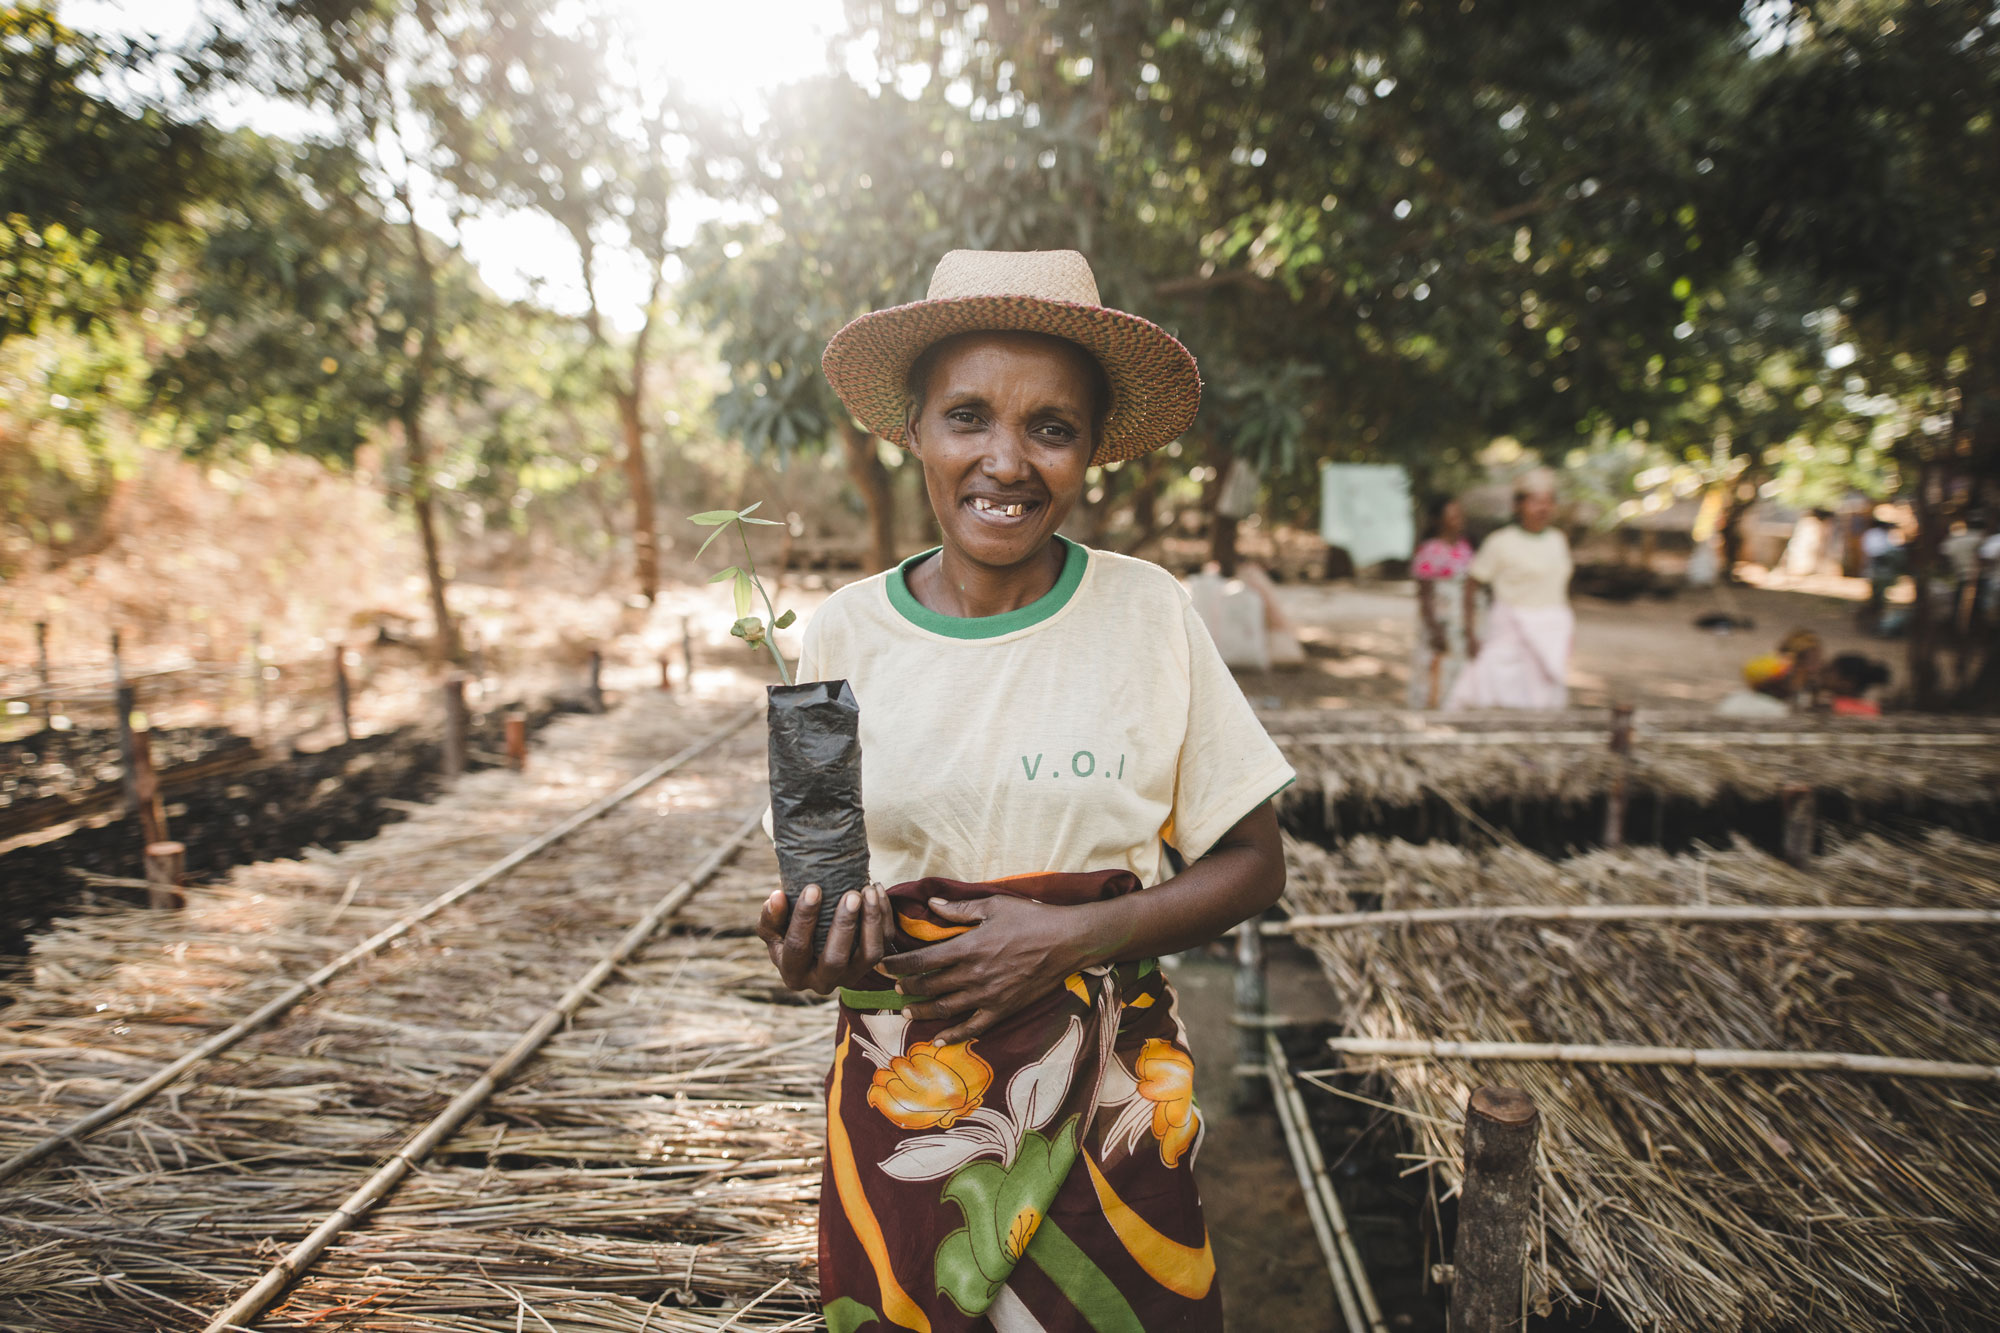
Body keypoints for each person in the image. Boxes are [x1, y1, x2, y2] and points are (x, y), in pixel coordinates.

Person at [755, 249, 1294, 1333]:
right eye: (966, 417)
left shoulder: (1146, 615)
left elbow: (1254, 864)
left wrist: (1065, 938)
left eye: (1050, 427)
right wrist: (811, 946)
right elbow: (831, 881)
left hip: (1112, 1105)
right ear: (912, 431)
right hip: (912, 1113)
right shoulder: (843, 633)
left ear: (1091, 450)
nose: (1006, 461)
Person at [1445, 469, 1573, 710]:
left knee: (1542, 693)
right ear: (1519, 505)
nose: (1542, 508)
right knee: (1490, 683)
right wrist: (1470, 632)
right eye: (1535, 501)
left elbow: (1559, 587)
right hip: (1510, 624)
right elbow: (1472, 584)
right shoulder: (1500, 541)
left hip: (1552, 624)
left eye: (1548, 502)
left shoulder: (1558, 540)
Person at [1409, 496, 1478, 708]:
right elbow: (1425, 594)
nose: (1458, 520)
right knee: (1433, 663)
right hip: (1439, 619)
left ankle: (1453, 706)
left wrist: (1470, 628)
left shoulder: (1466, 549)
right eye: (1452, 516)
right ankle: (1429, 705)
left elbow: (1469, 592)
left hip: (1460, 618)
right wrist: (1434, 628)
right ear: (1438, 520)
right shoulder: (1429, 550)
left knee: (1458, 664)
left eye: (1459, 515)